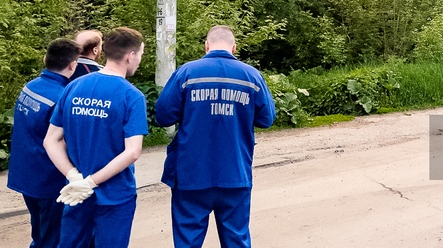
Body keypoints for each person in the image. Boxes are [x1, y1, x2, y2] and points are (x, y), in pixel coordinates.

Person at [155, 25, 276, 248]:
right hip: (234, 172)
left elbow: (163, 116)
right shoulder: (251, 75)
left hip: (191, 173)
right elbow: (266, 119)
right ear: (234, 48)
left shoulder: (187, 73)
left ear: (206, 46)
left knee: (187, 240)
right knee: (236, 240)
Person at [43, 27, 148, 248]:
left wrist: (74, 178)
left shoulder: (74, 86)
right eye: (140, 54)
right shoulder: (132, 96)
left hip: (76, 194)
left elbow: (51, 140)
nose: (139, 60)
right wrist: (91, 182)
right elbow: (133, 151)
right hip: (115, 195)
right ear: (130, 56)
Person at [7, 38, 80, 248]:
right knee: (51, 238)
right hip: (49, 181)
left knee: (40, 233)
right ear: (72, 65)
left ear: (45, 59)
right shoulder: (61, 97)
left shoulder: (30, 87)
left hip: (26, 175)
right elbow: (66, 142)